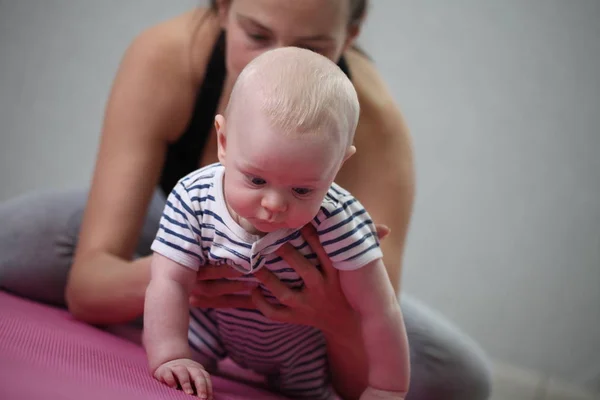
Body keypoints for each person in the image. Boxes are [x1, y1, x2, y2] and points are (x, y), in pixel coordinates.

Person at [0, 1, 492, 399]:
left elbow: (371, 324)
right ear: (221, 9)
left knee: (459, 379)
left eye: (312, 47)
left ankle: (261, 336)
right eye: (256, 34)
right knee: (14, 245)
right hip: (184, 232)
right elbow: (87, 289)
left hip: (307, 275)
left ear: (350, 35)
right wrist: (185, 279)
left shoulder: (378, 126)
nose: (272, 60)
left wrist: (330, 314)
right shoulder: (168, 58)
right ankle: (181, 319)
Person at [144, 46, 410, 400]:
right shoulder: (194, 197)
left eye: (302, 189)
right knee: (179, 375)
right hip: (211, 326)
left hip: (297, 348)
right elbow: (168, 282)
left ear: (337, 166)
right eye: (255, 180)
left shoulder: (338, 220)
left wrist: (388, 386)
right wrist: (172, 354)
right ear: (224, 142)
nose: (273, 205)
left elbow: (379, 308)